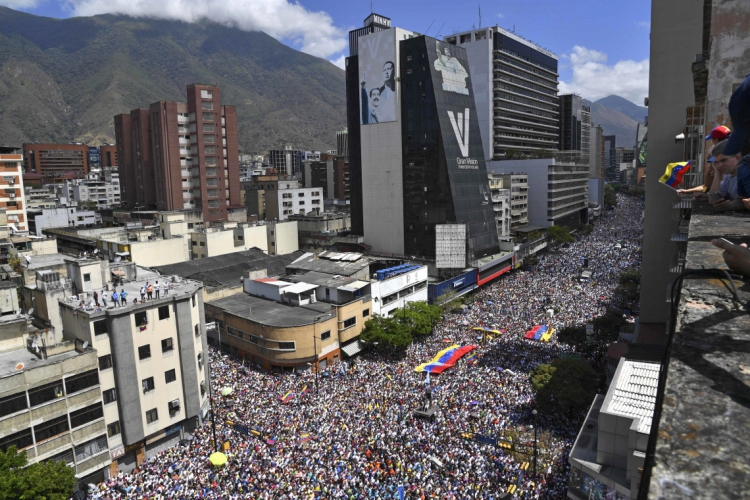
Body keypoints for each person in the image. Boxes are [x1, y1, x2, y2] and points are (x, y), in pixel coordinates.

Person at [706, 140, 745, 211]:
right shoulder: (728, 176)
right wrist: (717, 173)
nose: (720, 165)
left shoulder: (746, 173)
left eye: (723, 160)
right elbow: (713, 200)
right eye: (716, 162)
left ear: (737, 157)